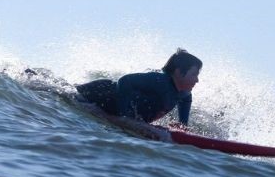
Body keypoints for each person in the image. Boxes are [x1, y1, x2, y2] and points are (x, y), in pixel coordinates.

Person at [74, 48, 202, 140]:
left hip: (106, 105)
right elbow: (125, 81)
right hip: (97, 94)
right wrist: (125, 117)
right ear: (179, 72)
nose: (197, 80)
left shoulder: (183, 93)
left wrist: (182, 126)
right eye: (194, 74)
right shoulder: (160, 80)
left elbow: (186, 100)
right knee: (72, 96)